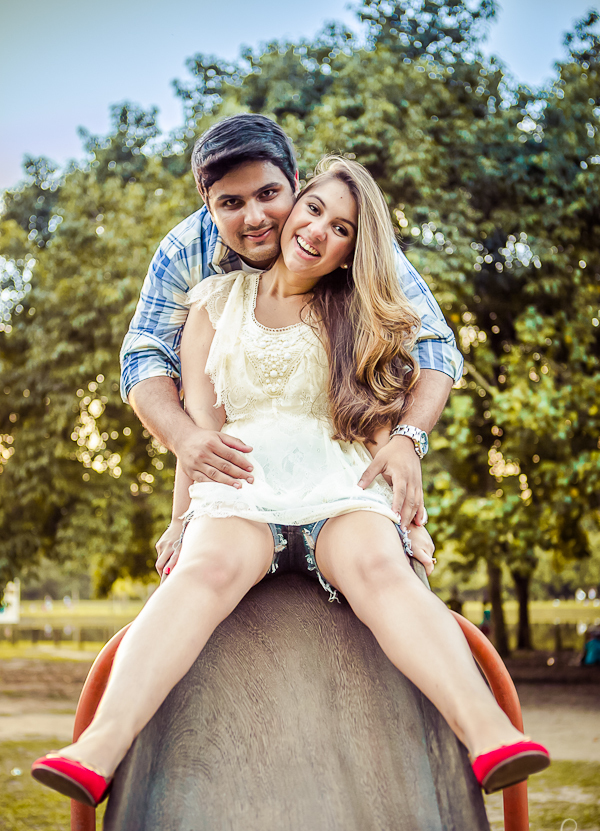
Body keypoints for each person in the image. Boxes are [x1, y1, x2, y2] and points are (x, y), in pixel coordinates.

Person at [32, 157, 549, 806]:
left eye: (342, 230)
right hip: (244, 490)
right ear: (293, 207)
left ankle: (488, 736)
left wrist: (406, 491)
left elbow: (414, 383)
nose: (318, 231)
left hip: (339, 485)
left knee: (380, 572)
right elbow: (201, 434)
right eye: (314, 210)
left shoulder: (358, 311)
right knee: (202, 576)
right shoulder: (216, 304)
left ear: (351, 251)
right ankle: (97, 749)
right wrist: (180, 518)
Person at [120, 114, 464, 572]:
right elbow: (146, 357)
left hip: (340, 463)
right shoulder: (187, 257)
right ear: (207, 203)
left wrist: (407, 441)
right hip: (239, 473)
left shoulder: (346, 243)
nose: (256, 218)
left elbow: (431, 347)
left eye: (268, 194)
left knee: (394, 570)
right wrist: (184, 458)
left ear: (297, 185)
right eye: (231, 203)